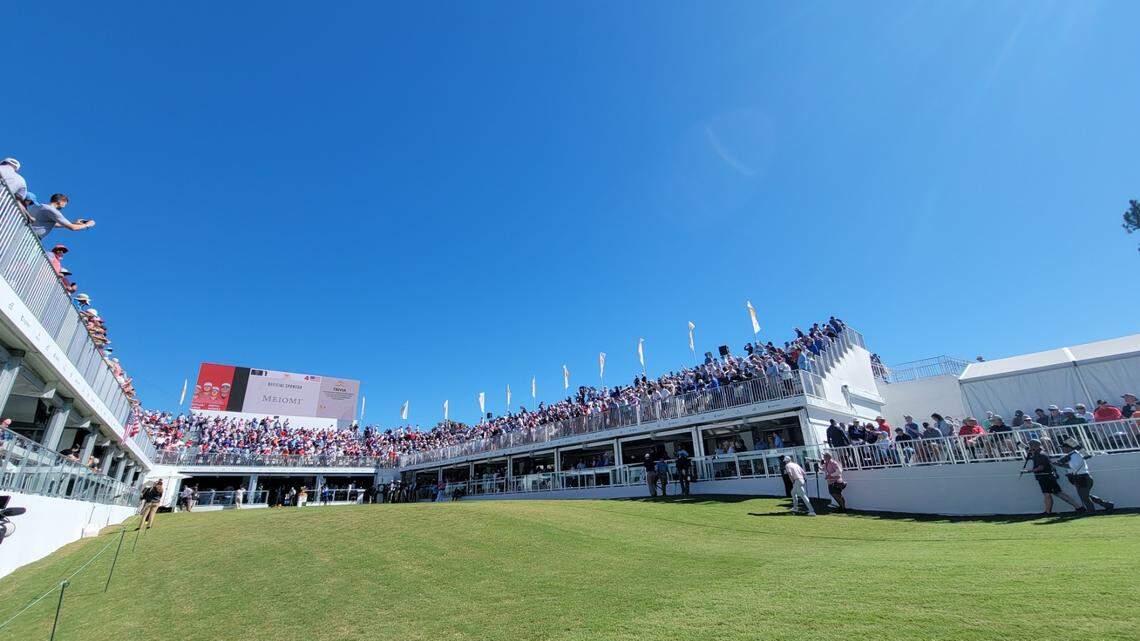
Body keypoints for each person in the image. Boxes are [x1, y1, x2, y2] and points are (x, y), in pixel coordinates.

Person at [1053, 437, 1114, 513]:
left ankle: (1091, 511)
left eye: (1063, 447)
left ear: (1068, 448)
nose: (1062, 449)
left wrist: (1059, 464)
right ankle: (1107, 505)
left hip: (1082, 478)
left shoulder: (1074, 455)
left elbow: (1072, 467)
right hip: (1082, 478)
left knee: (1085, 497)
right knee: (1085, 495)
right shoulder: (1074, 454)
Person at [1021, 439, 1082, 515]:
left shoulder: (1040, 454)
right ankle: (1078, 507)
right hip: (1047, 476)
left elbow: (1041, 467)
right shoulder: (1040, 453)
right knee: (1057, 493)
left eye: (1030, 445)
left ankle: (1048, 512)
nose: (1029, 447)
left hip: (1046, 477)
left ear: (1034, 446)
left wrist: (1029, 471)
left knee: (1049, 494)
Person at [25, 194, 96, 239]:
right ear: (60, 202)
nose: (64, 206)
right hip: (31, 238)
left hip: (25, 232)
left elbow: (53, 224)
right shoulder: (53, 211)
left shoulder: (40, 206)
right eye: (64, 204)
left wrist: (73, 222)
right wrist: (87, 225)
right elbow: (73, 228)